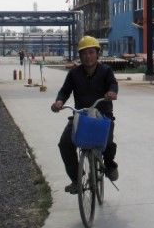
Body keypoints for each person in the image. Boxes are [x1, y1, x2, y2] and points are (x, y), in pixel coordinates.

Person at [51, 36, 119, 194]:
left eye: (91, 52)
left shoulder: (106, 71)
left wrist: (112, 92)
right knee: (65, 143)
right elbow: (64, 91)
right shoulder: (74, 74)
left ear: (97, 54)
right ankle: (76, 180)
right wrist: (59, 102)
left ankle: (110, 165)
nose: (88, 56)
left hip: (102, 116)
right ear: (80, 56)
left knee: (107, 143)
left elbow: (113, 84)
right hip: (81, 116)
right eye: (84, 53)